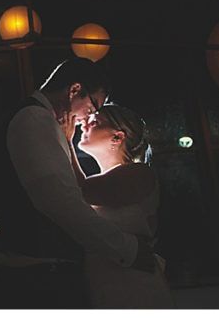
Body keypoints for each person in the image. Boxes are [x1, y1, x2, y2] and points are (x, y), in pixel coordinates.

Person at [0, 58, 155, 308]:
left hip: (50, 272)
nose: (87, 118)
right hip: (42, 274)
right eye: (92, 107)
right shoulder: (35, 119)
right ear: (74, 90)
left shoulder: (41, 120)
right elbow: (60, 202)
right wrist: (129, 250)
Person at [71, 103, 176, 308]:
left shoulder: (139, 173)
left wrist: (65, 140)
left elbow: (82, 191)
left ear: (117, 137)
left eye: (95, 122)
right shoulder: (101, 179)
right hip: (104, 281)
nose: (84, 126)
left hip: (134, 284)